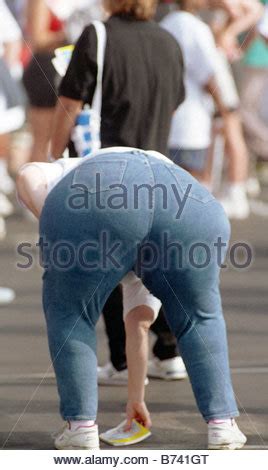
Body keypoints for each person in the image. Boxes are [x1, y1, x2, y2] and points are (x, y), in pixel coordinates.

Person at [17, 146, 247, 450]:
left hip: (102, 194)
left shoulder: (72, 167)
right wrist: (135, 400)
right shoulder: (145, 244)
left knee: (70, 311)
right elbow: (138, 323)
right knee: (199, 316)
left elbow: (26, 174)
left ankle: (80, 427)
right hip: (192, 207)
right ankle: (223, 425)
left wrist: (61, 225)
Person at [50, 0, 187, 384]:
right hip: (158, 166)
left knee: (111, 267)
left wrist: (52, 154)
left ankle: (125, 362)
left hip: (107, 169)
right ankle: (167, 349)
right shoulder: (168, 40)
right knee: (156, 262)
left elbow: (69, 103)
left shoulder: (98, 35)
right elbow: (175, 102)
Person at [23, 0, 66, 163]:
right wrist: (69, 33)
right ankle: (33, 186)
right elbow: (38, 39)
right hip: (45, 70)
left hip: (67, 70)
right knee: (42, 141)